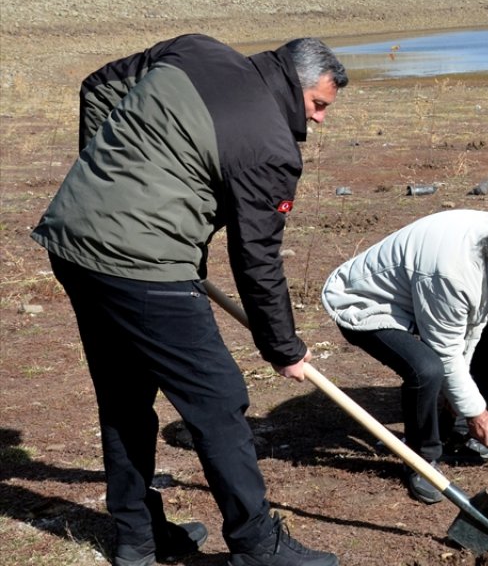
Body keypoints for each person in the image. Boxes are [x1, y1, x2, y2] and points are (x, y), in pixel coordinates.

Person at [31, 34, 347, 566]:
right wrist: (284, 348)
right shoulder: (271, 145)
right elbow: (258, 260)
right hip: (145, 270)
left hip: (72, 243)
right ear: (296, 85)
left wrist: (106, 176)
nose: (318, 121)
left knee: (125, 395)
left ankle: (138, 536)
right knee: (219, 402)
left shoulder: (196, 50)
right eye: (318, 105)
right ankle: (256, 545)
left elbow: (99, 85)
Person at [320, 211, 488, 505]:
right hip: (365, 304)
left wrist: (465, 405)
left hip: (420, 296)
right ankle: (421, 459)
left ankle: (456, 427)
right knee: (426, 368)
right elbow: (447, 351)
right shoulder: (454, 273)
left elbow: (474, 323)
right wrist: (476, 409)